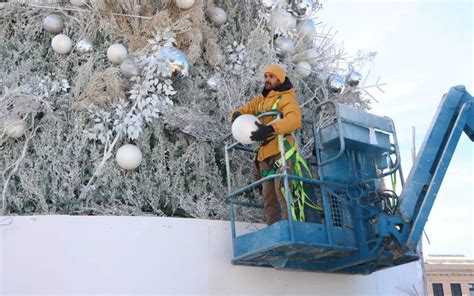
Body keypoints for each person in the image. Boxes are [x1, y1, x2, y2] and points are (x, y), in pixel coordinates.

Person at [231, 64, 304, 225]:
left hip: (281, 150)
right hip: (265, 156)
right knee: (269, 198)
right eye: (265, 76)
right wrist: (236, 115)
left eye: (271, 76)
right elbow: (245, 109)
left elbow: (294, 120)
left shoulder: (285, 98)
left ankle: (290, 227)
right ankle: (275, 231)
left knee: (283, 191)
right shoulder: (262, 99)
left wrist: (270, 128)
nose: (267, 79)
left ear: (280, 79)